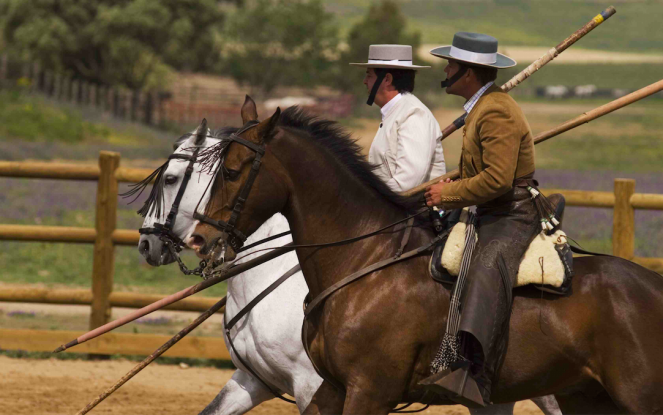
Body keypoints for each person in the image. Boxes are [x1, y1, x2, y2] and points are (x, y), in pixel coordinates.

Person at [421, 32, 540, 407]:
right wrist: (459, 178)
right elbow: (483, 169)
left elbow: (498, 179)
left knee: (485, 266)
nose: (446, 70)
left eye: (452, 66)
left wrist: (449, 193)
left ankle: (474, 370)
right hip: (490, 208)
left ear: (469, 73)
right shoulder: (482, 107)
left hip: (512, 213)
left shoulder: (496, 110)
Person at [350, 44, 445, 192]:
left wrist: (365, 199)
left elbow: (408, 183)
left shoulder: (413, 114)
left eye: (369, 75)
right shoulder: (398, 112)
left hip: (413, 213)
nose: (364, 81)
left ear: (386, 79)